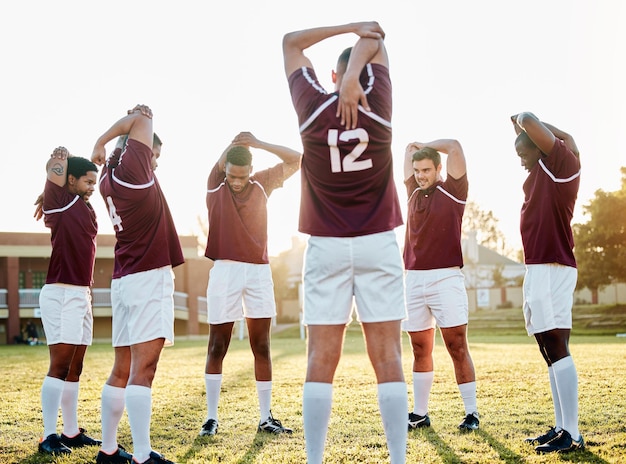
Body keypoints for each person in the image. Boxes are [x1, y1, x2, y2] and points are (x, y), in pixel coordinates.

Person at [283, 22, 407, 464]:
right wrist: (358, 67)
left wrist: (348, 33)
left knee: (321, 355)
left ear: (329, 79)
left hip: (328, 245)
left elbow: (291, 43)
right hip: (377, 241)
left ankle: (315, 459)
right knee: (388, 354)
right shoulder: (379, 106)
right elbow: (376, 40)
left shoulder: (313, 109)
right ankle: (398, 459)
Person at [91, 105, 184, 464]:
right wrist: (109, 134)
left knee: (122, 368)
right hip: (147, 276)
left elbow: (130, 134)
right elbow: (143, 123)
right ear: (139, 151)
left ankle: (109, 449)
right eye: (153, 154)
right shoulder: (133, 172)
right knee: (143, 370)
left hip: (124, 278)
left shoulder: (108, 175)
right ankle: (143, 456)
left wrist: (122, 130)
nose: (155, 163)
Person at [199, 131, 301, 437]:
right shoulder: (216, 183)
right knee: (218, 345)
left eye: (242, 176)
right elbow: (222, 165)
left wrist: (258, 143)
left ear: (250, 172)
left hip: (258, 270)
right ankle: (211, 417)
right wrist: (233, 144)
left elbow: (297, 159)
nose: (237, 181)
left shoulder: (262, 182)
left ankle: (265, 416)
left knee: (262, 345)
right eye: (232, 175)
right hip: (225, 270)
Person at [510, 112, 583, 454]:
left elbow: (531, 119)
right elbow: (530, 132)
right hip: (541, 266)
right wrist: (521, 131)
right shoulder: (543, 169)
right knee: (548, 348)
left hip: (553, 266)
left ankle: (573, 432)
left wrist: (524, 120)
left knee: (555, 345)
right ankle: (561, 427)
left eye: (524, 154)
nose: (521, 162)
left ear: (542, 148)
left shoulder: (562, 164)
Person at [401, 139, 479, 432]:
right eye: (417, 170)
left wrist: (425, 143)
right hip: (414, 278)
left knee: (456, 346)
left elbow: (457, 146)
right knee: (420, 348)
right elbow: (407, 151)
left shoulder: (454, 190)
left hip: (446, 277)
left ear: (439, 169)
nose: (420, 175)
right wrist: (415, 149)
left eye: (426, 170)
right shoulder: (411, 191)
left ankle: (471, 413)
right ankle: (420, 414)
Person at [37, 146, 102, 455]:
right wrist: (60, 160)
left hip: (81, 293)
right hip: (61, 292)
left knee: (75, 366)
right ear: (72, 180)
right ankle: (49, 436)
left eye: (95, 182)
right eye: (88, 182)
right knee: (60, 365)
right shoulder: (61, 201)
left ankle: (71, 432)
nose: (93, 187)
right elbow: (54, 171)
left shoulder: (81, 204)